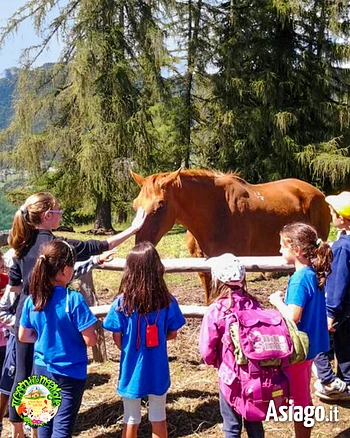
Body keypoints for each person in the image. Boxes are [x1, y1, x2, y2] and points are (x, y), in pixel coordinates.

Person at [7, 192, 147, 438]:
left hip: (28, 315)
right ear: (48, 215)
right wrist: (133, 229)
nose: (61, 214)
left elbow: (16, 286)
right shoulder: (58, 250)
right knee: (61, 422)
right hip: (62, 351)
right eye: (59, 211)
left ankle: (19, 427)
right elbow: (98, 245)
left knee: (25, 372)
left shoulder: (22, 245)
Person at [103, 242, 185, 438]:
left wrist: (130, 347)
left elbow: (117, 337)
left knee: (131, 418)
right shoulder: (167, 301)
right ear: (158, 267)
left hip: (131, 369)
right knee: (159, 416)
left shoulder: (122, 303)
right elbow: (173, 333)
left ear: (129, 270)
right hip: (158, 368)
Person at [18, 240, 97, 437]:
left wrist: (45, 338)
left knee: (43, 422)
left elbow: (24, 335)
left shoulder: (32, 299)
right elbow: (91, 340)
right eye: (72, 266)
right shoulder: (74, 300)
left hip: (41, 368)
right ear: (63, 270)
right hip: (70, 372)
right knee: (62, 429)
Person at [269, 222, 332, 438]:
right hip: (312, 344)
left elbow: (294, 316)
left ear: (296, 250)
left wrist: (277, 301)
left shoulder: (299, 279)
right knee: (302, 393)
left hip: (300, 348)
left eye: (282, 246)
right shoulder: (312, 273)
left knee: (299, 398)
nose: (279, 250)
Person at [199, 253, 265, 438]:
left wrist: (215, 362)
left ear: (217, 278)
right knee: (255, 422)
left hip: (230, 376)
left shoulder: (217, 309)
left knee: (231, 425)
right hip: (255, 375)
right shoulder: (254, 304)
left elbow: (206, 349)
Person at [312, 191, 350, 400]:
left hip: (341, 306)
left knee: (323, 340)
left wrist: (330, 312)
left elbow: (338, 281)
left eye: (332, 212)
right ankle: (346, 381)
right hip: (348, 307)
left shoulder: (343, 247)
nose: (330, 215)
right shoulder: (344, 241)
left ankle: (333, 383)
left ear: (342, 219)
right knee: (345, 345)